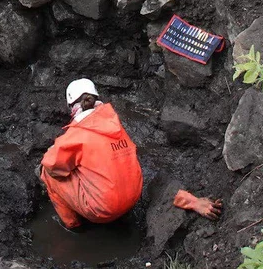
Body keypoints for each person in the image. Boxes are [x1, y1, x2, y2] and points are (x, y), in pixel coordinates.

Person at [39, 78, 223, 230]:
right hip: (134, 195)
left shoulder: (74, 137)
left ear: (73, 105)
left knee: (47, 174)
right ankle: (189, 200)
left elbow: (51, 165)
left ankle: (72, 225)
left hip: (103, 210)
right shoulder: (114, 123)